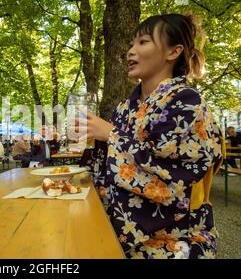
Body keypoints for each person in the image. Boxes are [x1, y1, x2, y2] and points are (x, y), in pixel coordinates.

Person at [78, 14, 223, 258]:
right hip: (113, 223)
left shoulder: (186, 101)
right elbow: (104, 165)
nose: (130, 52)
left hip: (171, 237)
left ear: (173, 52)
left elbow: (173, 179)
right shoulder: (125, 107)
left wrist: (110, 134)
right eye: (131, 44)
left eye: (142, 42)